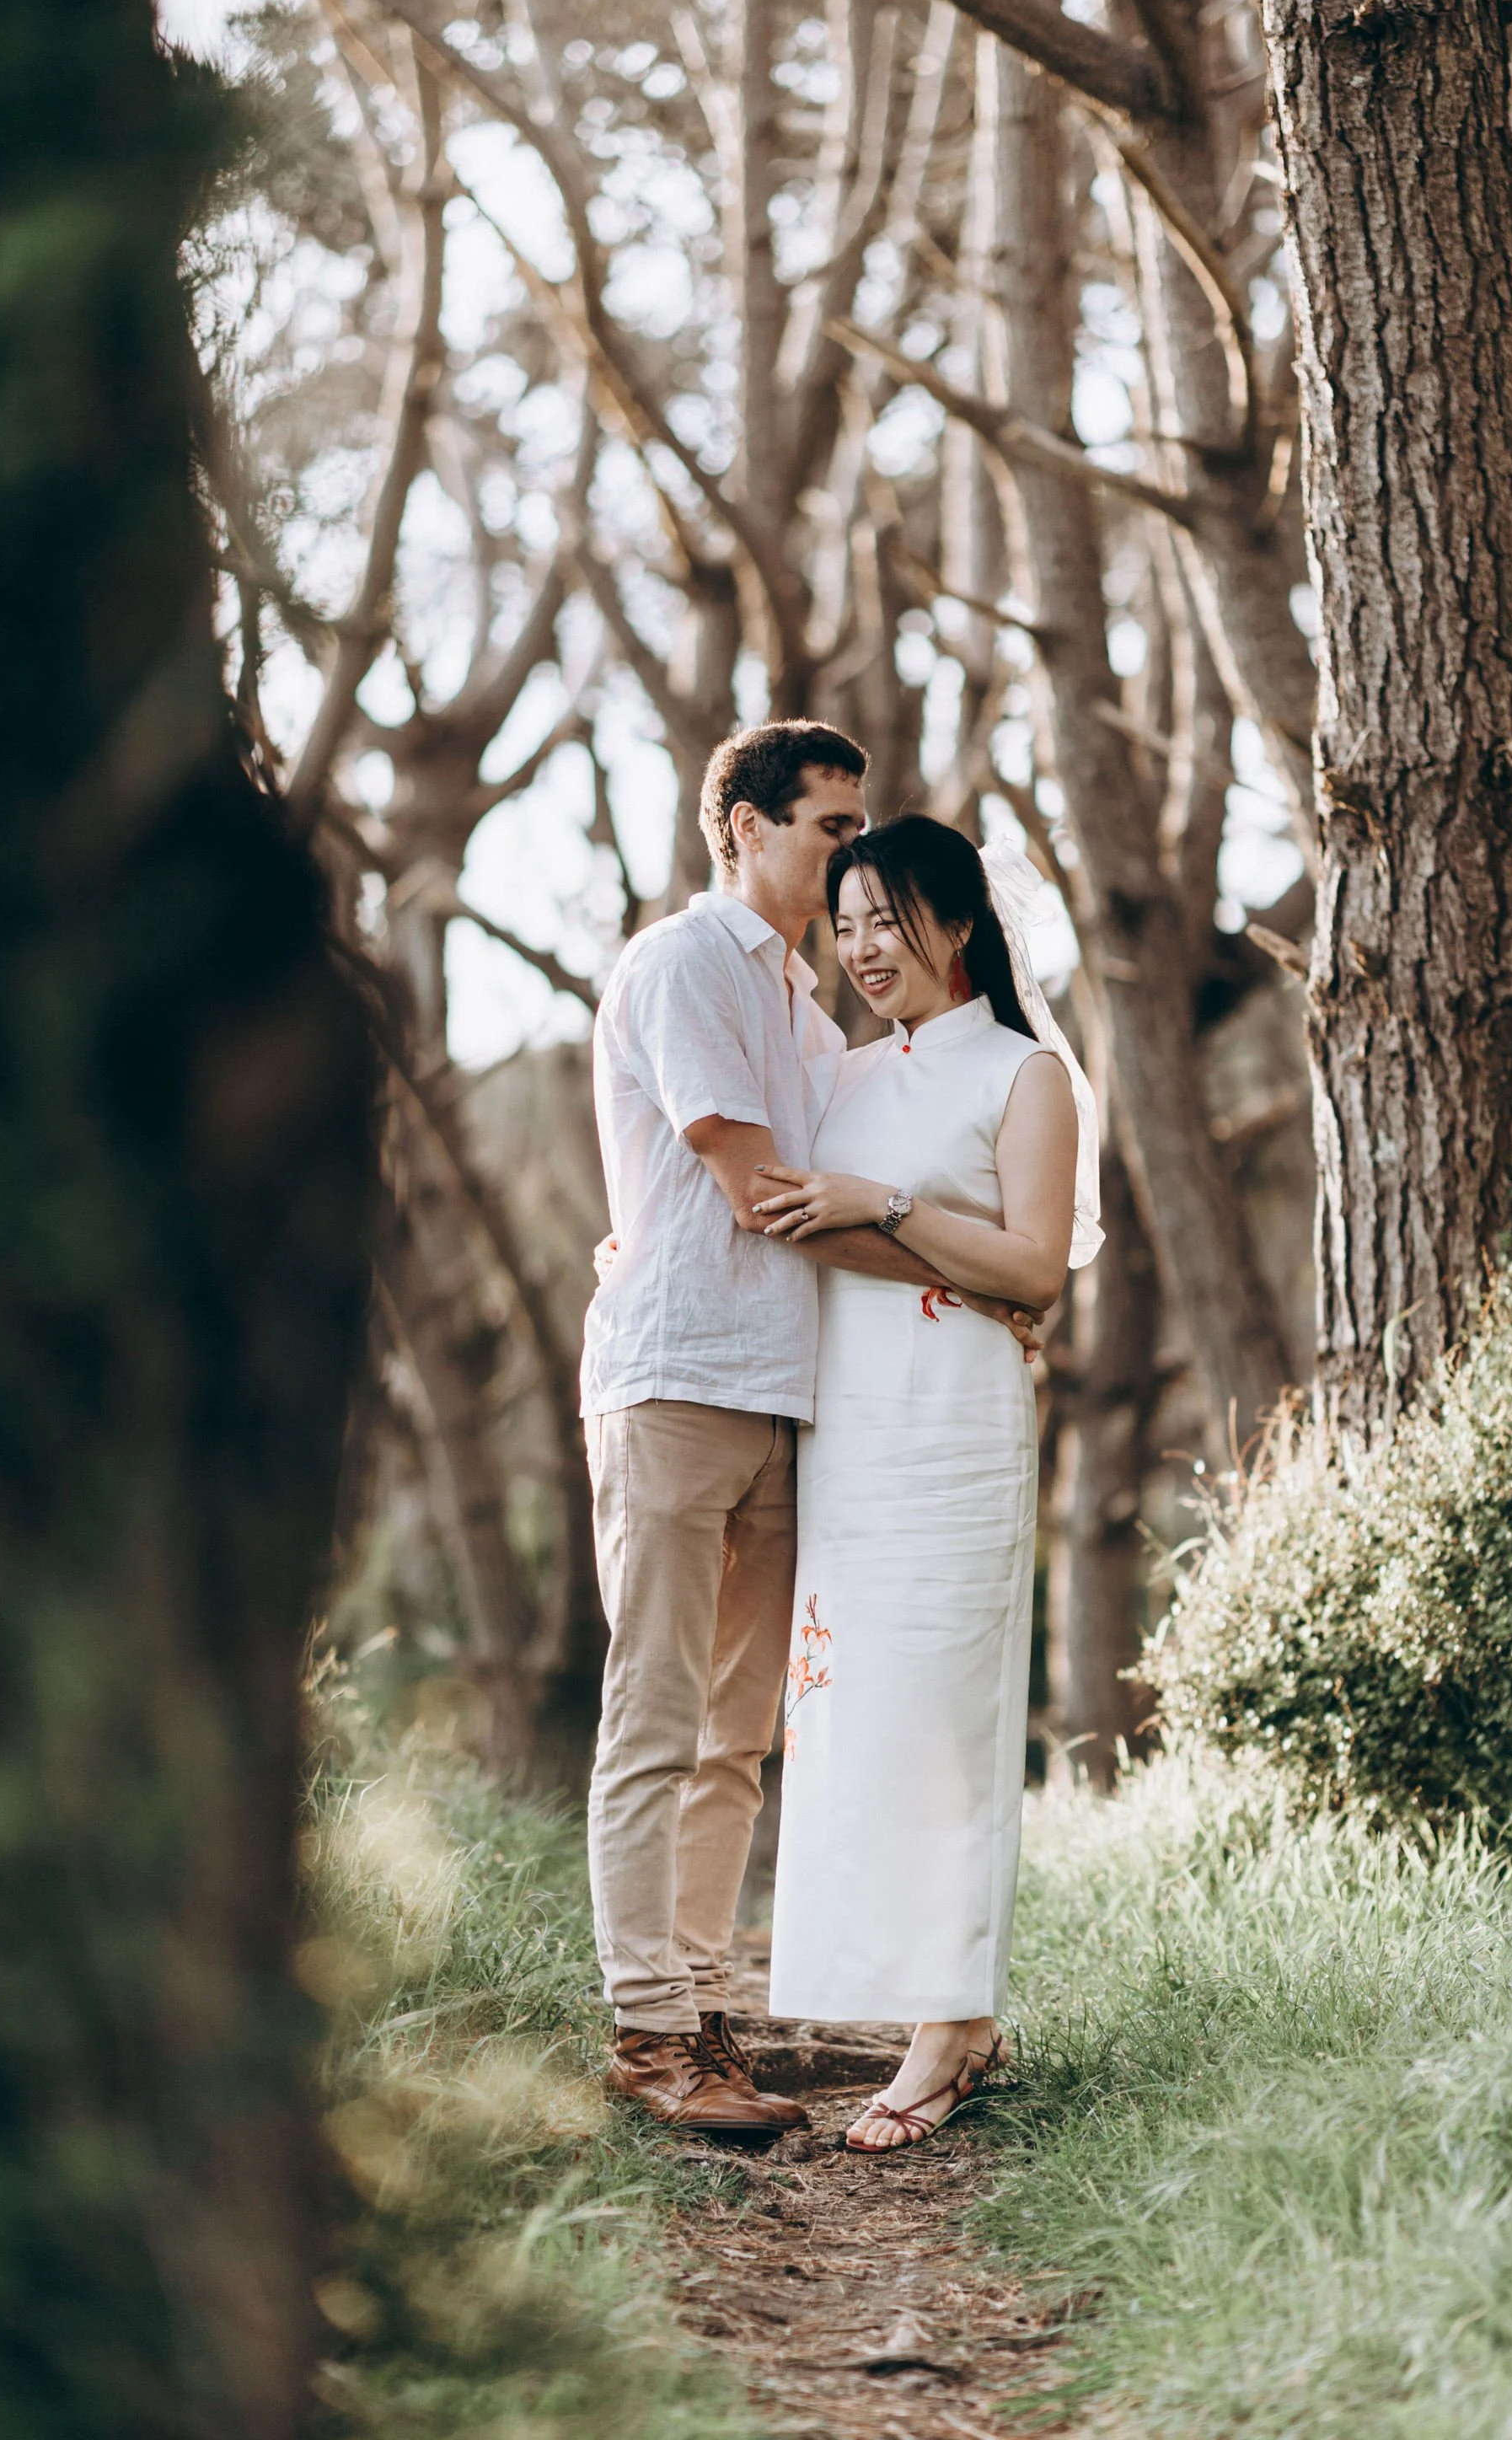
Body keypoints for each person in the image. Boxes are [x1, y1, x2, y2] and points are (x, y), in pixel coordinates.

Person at [581, 727, 1041, 2138]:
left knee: (736, 1735)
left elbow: (834, 1209)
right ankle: (648, 2031)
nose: (849, 856)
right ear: (740, 827)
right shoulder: (684, 965)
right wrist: (977, 1274)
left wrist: (984, 1282)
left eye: (857, 832)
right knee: (655, 1715)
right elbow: (767, 1195)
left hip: (787, 1401)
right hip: (676, 1379)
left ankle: (705, 2008)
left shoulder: (807, 1012)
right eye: (828, 829)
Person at [752, 816, 1097, 2152]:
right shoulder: (837, 1077)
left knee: (950, 1720)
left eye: (885, 920)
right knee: (858, 1716)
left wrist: (884, 1207)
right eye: (843, 926)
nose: (860, 950)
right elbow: (792, 1222)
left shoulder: (1025, 1077)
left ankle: (948, 2033)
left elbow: (1034, 1272)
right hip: (849, 1426)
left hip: (955, 1430)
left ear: (957, 924)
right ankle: (920, 1995)